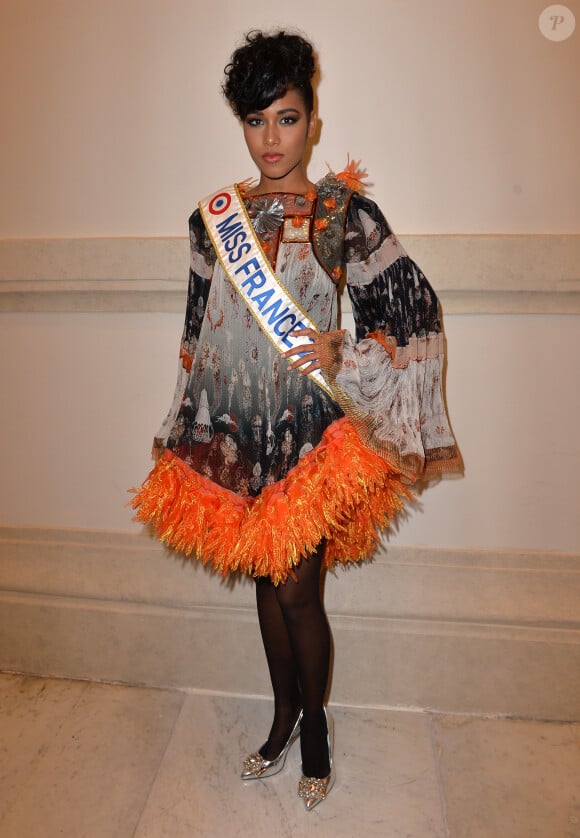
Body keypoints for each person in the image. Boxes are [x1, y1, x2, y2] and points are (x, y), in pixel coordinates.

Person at [131, 30, 461, 810]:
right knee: (264, 583)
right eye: (255, 120)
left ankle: (313, 723)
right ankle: (280, 716)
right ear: (240, 125)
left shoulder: (345, 212)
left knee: (298, 593)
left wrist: (344, 349)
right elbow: (194, 331)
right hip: (240, 429)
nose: (270, 138)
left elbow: (414, 312)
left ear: (312, 121)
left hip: (310, 434)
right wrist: (187, 429)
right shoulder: (214, 221)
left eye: (286, 118)